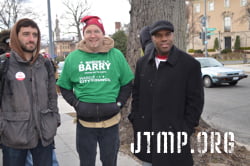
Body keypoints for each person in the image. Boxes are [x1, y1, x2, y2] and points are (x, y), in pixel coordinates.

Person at [56, 16, 134, 166]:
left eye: (96, 31)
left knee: (109, 162)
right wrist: (77, 104)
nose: (93, 35)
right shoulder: (73, 57)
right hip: (85, 125)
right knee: (86, 162)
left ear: (103, 33)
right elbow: (64, 86)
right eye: (88, 32)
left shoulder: (115, 55)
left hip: (110, 124)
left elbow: (127, 83)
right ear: (84, 35)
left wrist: (118, 104)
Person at [129, 20, 204, 166]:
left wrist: (185, 129)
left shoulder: (189, 64)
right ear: (152, 38)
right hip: (148, 136)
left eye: (167, 34)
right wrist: (136, 120)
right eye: (159, 35)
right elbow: (137, 95)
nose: (164, 39)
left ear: (173, 36)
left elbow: (196, 102)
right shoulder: (142, 63)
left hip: (175, 137)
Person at [0, 18, 60, 166]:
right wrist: (3, 128)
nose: (31, 39)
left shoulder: (45, 64)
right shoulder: (4, 63)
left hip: (43, 135)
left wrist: (54, 120)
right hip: (13, 137)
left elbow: (52, 97)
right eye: (26, 34)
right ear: (16, 36)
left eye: (35, 34)